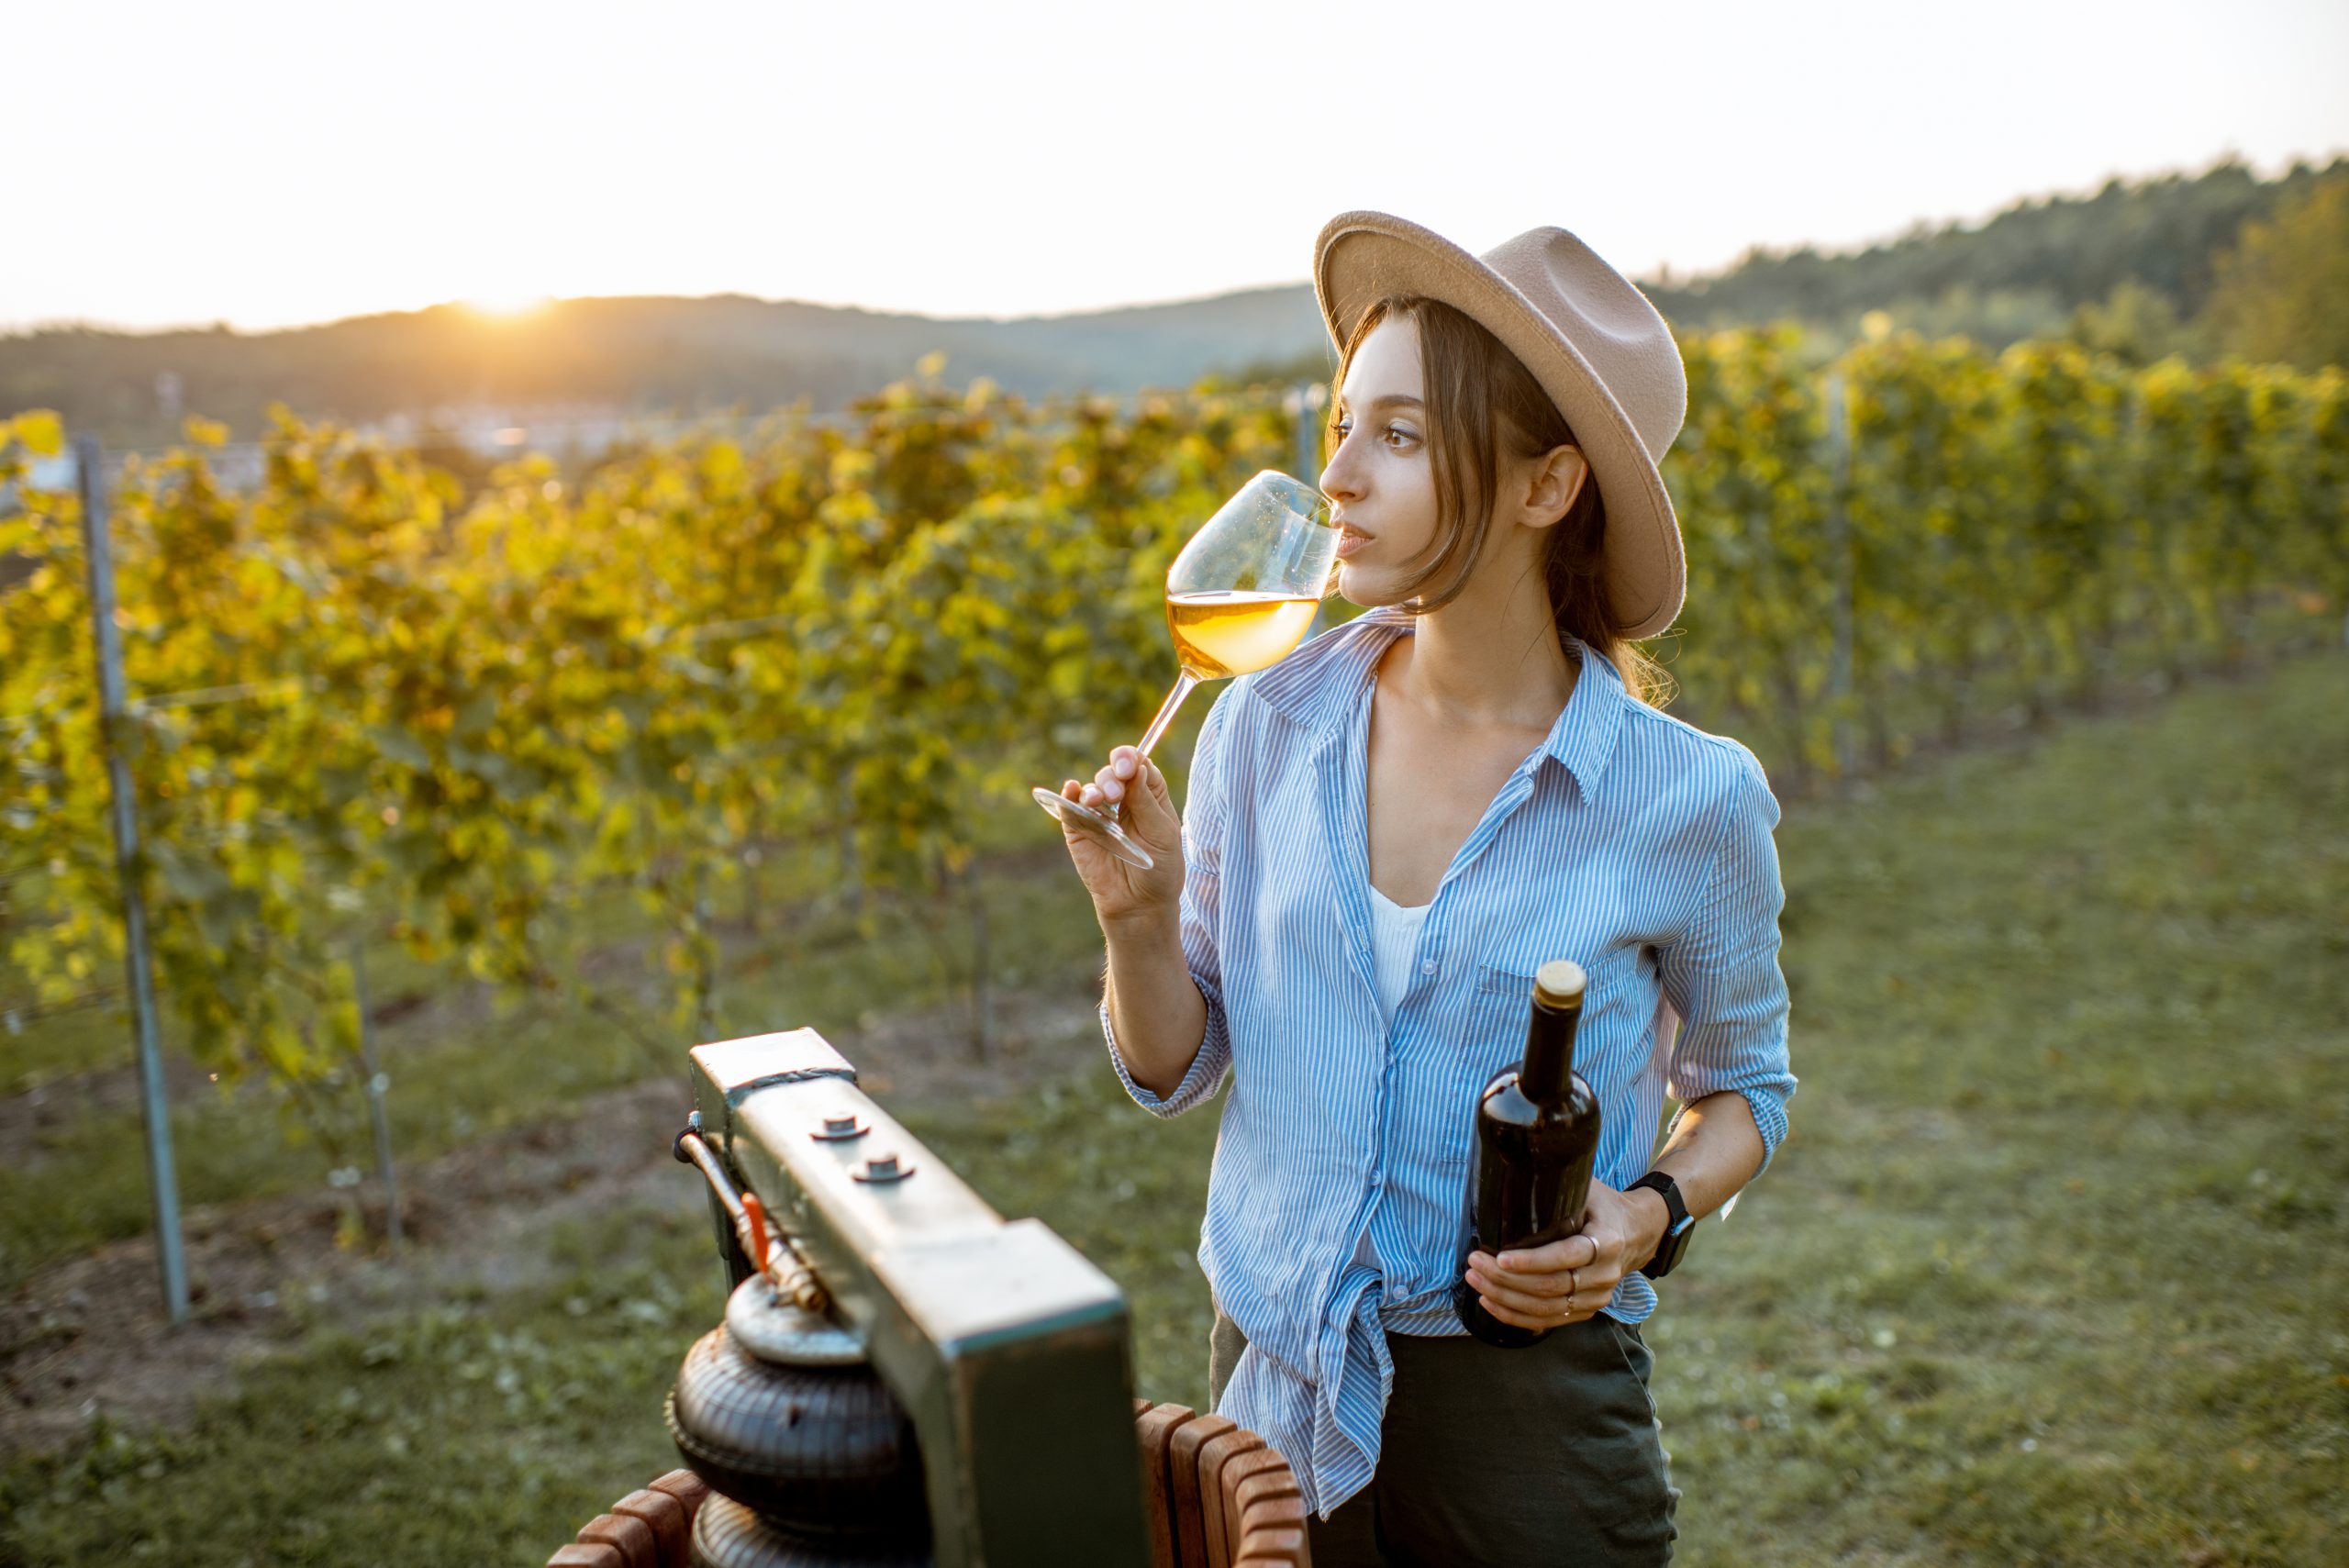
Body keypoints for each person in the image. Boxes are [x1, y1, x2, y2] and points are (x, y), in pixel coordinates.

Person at [1053, 211, 1796, 1567]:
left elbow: (1748, 1089)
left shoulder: (1688, 797)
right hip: (1273, 1372)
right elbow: (1177, 1058)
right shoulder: (1265, 721)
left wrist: (1642, 1218)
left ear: (1545, 485)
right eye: (1342, 424)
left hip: (1526, 1410)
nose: (1334, 476)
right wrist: (1137, 922)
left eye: (1396, 435)